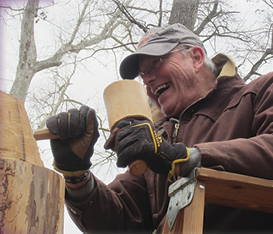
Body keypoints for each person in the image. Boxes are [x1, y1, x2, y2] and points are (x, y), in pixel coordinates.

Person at [46, 23, 273, 233]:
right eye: (143, 75)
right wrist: (76, 175)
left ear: (196, 58)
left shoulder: (260, 92)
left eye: (156, 63)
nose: (147, 80)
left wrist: (182, 158)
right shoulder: (156, 144)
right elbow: (120, 222)